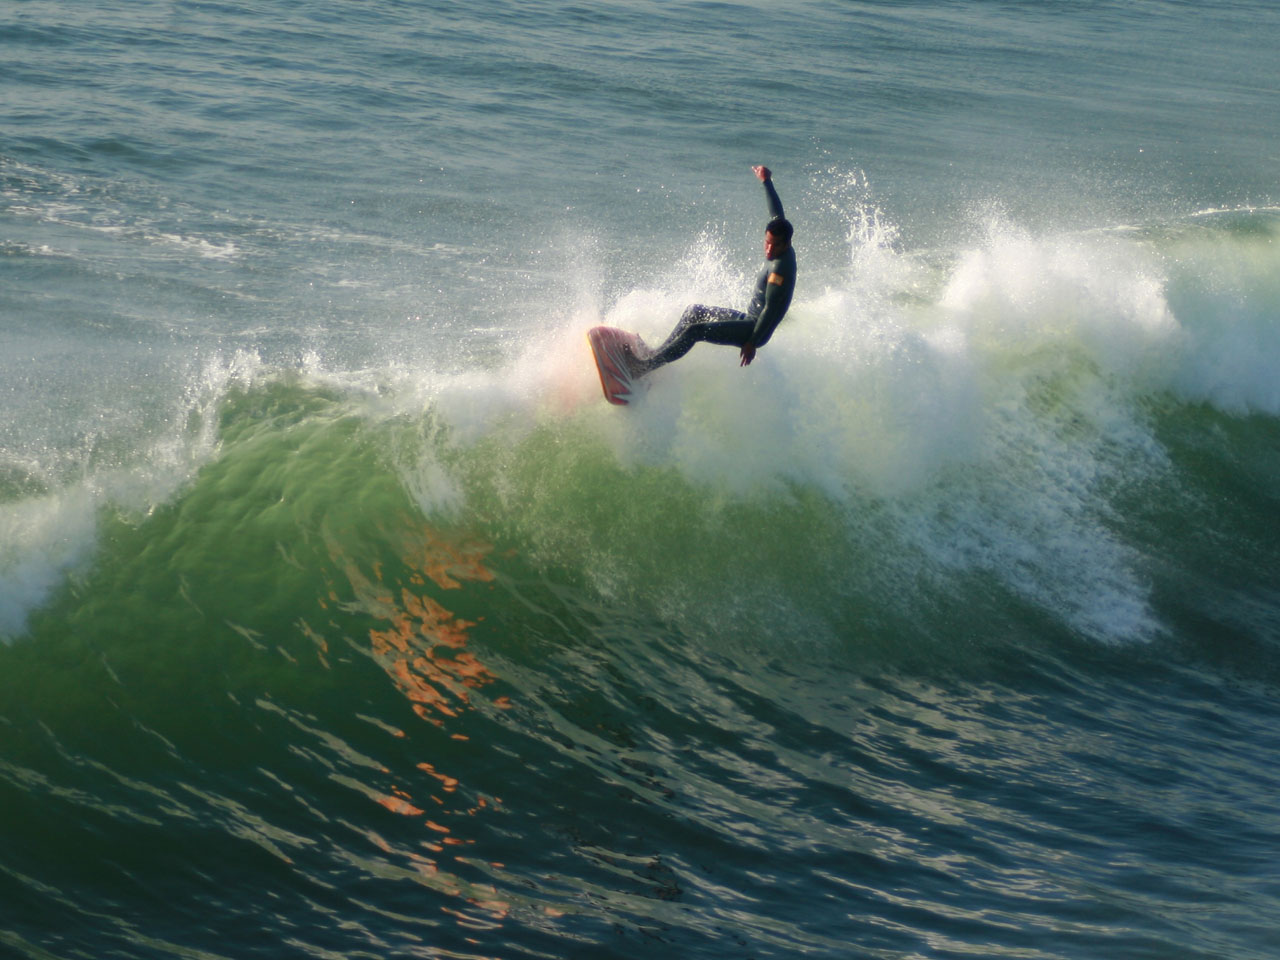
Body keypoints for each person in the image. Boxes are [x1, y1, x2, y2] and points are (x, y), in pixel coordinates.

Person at [640, 165, 796, 372]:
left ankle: (644, 367)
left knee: (695, 331)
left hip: (753, 330)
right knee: (694, 312)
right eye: (767, 242)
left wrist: (751, 343)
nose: (769, 248)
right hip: (747, 318)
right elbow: (777, 213)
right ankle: (656, 354)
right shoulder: (780, 230)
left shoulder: (779, 271)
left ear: (787, 243)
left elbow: (770, 310)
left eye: (775, 245)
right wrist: (766, 181)